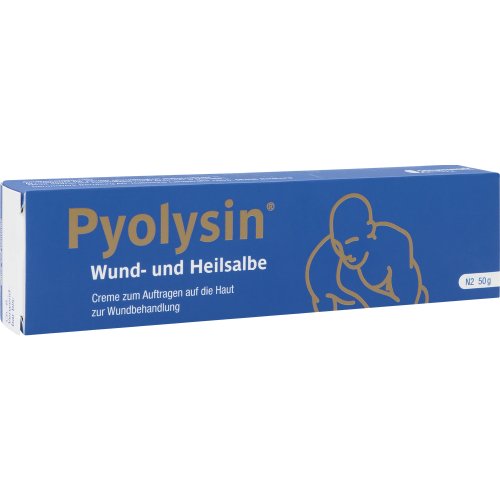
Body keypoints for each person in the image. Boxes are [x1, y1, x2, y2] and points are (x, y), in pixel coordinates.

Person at [305, 193, 428, 311]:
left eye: (351, 242)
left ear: (369, 230)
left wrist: (359, 288)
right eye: (337, 246)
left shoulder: (394, 243)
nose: (344, 253)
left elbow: (406, 301)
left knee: (420, 296)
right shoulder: (318, 269)